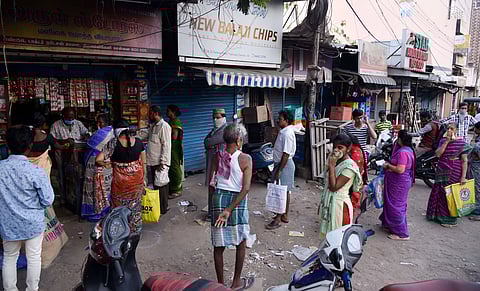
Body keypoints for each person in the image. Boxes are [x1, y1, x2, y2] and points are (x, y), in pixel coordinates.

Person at [0, 126, 54, 291]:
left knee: (10, 257)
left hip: (8, 223)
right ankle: (32, 289)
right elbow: (48, 199)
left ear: (8, 146)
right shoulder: (36, 172)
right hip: (33, 223)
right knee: (34, 257)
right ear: (29, 146)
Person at [210, 124, 254, 290]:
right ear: (238, 140)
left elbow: (211, 183)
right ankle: (236, 281)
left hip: (218, 198)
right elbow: (246, 188)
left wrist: (214, 208)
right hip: (237, 200)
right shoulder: (245, 159)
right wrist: (229, 209)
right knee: (241, 241)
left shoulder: (217, 156)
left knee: (218, 245)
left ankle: (220, 284)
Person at [96, 119, 146, 233]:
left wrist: (106, 164)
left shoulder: (113, 143)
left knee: (118, 207)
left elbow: (98, 159)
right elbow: (144, 162)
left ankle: (120, 229)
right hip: (137, 181)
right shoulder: (138, 142)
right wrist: (145, 179)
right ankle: (135, 229)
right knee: (136, 206)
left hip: (120, 183)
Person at [426, 123, 471, 227]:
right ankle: (437, 215)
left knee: (450, 193)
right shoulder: (442, 141)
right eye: (448, 128)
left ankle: (449, 219)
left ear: (456, 130)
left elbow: (464, 161)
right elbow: (438, 154)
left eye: (452, 128)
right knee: (440, 192)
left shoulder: (461, 143)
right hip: (442, 168)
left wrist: (463, 176)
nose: (450, 130)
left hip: (454, 170)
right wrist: (446, 141)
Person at [318, 134, 362, 238]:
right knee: (327, 238)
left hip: (340, 206)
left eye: (340, 147)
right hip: (329, 203)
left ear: (348, 148)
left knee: (338, 238)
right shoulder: (336, 160)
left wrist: (332, 166)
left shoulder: (350, 167)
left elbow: (334, 187)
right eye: (335, 147)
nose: (336, 150)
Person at [50, 107, 89, 208]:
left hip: (75, 154)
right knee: (62, 175)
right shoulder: (55, 125)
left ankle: (74, 198)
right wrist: (65, 141)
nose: (71, 120)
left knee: (74, 176)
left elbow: (86, 133)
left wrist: (84, 136)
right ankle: (63, 199)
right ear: (63, 116)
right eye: (68, 118)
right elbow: (51, 140)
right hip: (61, 154)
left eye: (72, 118)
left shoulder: (78, 123)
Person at [380, 130, 416, 240]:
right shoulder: (408, 150)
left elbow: (400, 169)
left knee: (396, 206)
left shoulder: (402, 153)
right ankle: (389, 225)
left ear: (400, 139)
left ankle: (401, 233)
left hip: (399, 182)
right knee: (392, 203)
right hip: (399, 182)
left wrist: (388, 165)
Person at [266, 110, 297, 230]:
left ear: (287, 120)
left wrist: (279, 170)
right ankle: (284, 214)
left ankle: (278, 218)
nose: (279, 120)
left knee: (281, 191)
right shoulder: (284, 132)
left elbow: (286, 153)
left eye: (281, 119)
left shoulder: (287, 133)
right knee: (285, 190)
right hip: (282, 163)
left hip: (284, 164)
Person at [81, 114, 114, 222]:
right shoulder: (113, 132)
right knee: (104, 187)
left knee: (94, 188)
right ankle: (104, 210)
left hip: (96, 165)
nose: (98, 125)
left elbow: (89, 145)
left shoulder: (100, 133)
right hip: (106, 164)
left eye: (100, 122)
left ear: (105, 123)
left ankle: (94, 213)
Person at [146, 106, 172, 215]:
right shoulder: (153, 126)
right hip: (152, 161)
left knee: (162, 185)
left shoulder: (164, 126)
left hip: (160, 162)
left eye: (151, 114)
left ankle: (163, 208)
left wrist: (163, 161)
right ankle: (158, 207)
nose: (149, 116)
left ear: (156, 113)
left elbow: (166, 145)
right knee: (157, 185)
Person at [27, 112, 70, 178]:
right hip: (43, 168)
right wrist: (68, 144)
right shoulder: (48, 137)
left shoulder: (26, 136)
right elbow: (60, 147)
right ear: (43, 124)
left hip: (28, 167)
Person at [204, 108, 228, 220]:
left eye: (218, 117)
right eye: (214, 117)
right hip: (212, 161)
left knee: (216, 187)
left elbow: (209, 141)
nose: (215, 120)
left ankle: (216, 213)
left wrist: (209, 142)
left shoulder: (224, 130)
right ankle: (211, 212)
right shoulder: (215, 130)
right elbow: (205, 141)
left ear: (223, 117)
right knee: (211, 186)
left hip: (220, 164)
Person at [167, 105, 184, 199]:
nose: (167, 113)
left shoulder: (176, 122)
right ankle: (172, 187)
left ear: (173, 112)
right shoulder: (171, 122)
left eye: (168, 111)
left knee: (175, 168)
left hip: (174, 147)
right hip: (170, 147)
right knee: (171, 168)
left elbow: (174, 136)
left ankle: (177, 189)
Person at [468, 122, 480, 221]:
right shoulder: (477, 139)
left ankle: (477, 211)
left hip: (477, 167)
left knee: (477, 188)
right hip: (474, 166)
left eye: (476, 129)